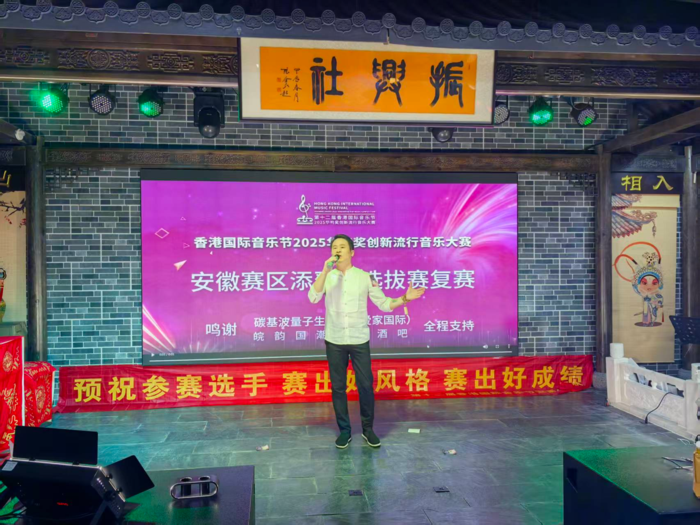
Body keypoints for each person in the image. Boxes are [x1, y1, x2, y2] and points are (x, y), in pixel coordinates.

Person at [308, 234, 426, 449]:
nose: (337, 250)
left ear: (352, 252)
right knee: (338, 387)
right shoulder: (328, 277)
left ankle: (368, 429)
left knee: (365, 385)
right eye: (334, 247)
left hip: (359, 339)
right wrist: (324, 271)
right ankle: (344, 431)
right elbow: (313, 297)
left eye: (342, 246)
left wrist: (405, 299)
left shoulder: (365, 277)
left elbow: (384, 304)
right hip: (334, 339)